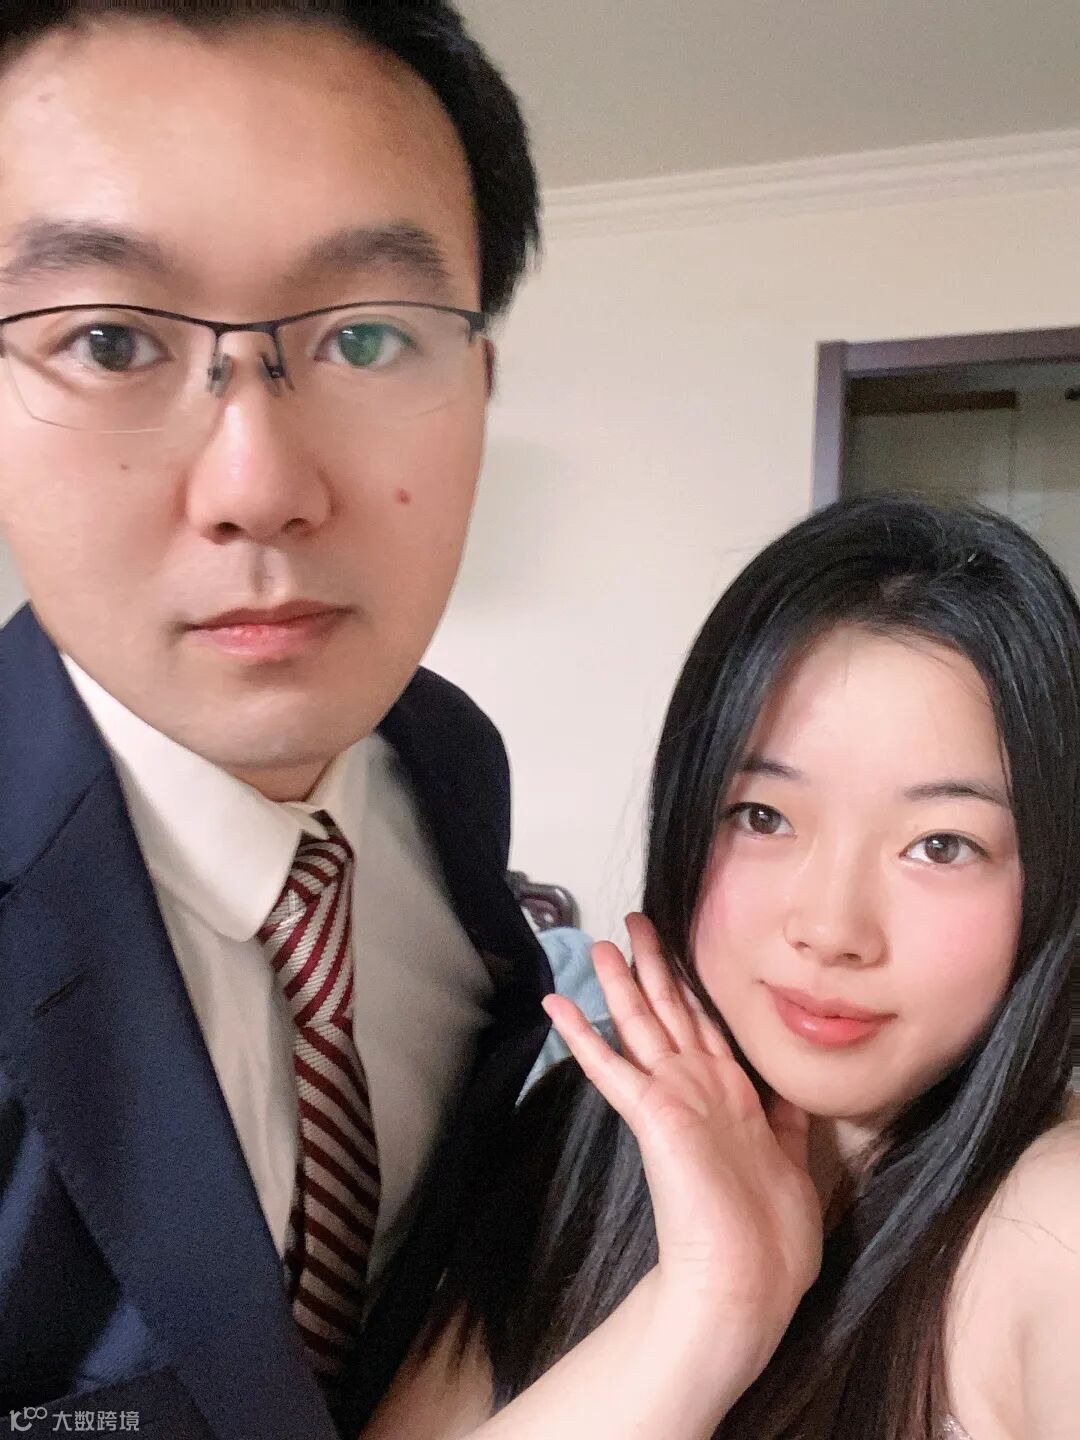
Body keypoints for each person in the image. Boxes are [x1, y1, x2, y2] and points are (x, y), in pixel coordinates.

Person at [0, 4, 553, 1435]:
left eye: (368, 336)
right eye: (109, 339)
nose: (259, 487)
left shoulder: (444, 760)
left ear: (481, 386)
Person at [366, 495, 1080, 1439]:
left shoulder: (1054, 1220)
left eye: (941, 845)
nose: (830, 929)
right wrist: (707, 1306)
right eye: (764, 817)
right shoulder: (578, 1134)